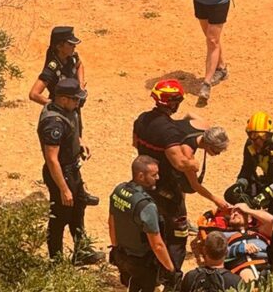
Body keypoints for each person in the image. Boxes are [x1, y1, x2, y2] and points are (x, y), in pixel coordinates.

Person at [133, 79, 229, 289]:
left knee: (148, 224)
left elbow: (135, 143)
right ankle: (171, 277)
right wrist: (193, 163)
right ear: (173, 103)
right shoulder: (171, 134)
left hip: (142, 180)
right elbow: (180, 164)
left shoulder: (141, 119)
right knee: (177, 234)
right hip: (164, 186)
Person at [36, 78, 103, 264]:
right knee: (60, 218)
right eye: (75, 99)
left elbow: (71, 132)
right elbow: (51, 159)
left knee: (77, 210)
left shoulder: (66, 111)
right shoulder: (53, 123)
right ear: (63, 99)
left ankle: (81, 252)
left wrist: (80, 143)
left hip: (72, 171)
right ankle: (56, 261)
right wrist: (64, 189)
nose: (78, 103)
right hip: (61, 174)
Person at [29, 26, 97, 205]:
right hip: (64, 112)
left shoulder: (71, 56)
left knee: (76, 148)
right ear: (60, 46)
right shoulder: (52, 68)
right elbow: (34, 93)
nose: (74, 47)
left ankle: (80, 189)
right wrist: (54, 106)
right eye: (70, 44)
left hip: (73, 109)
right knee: (64, 154)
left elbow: (80, 65)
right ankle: (65, 190)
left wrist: (80, 86)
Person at [109, 156, 175, 292]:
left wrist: (115, 249)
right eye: (154, 175)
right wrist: (170, 269)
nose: (157, 177)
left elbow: (111, 222)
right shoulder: (146, 206)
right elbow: (157, 245)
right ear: (140, 176)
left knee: (131, 284)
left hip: (122, 254)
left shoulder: (119, 191)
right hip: (141, 261)